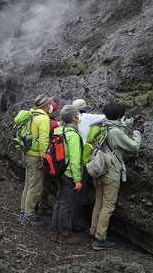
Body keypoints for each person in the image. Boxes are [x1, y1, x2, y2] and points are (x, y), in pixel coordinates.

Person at [89, 102, 144, 250]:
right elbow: (134, 146)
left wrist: (131, 121)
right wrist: (137, 132)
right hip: (111, 173)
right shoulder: (116, 132)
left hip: (99, 169)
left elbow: (118, 126)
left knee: (98, 203)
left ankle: (93, 231)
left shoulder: (104, 125)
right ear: (120, 116)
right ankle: (99, 239)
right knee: (108, 207)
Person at [72, 98, 106, 231]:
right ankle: (73, 223)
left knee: (68, 192)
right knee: (79, 192)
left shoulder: (65, 120)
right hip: (83, 160)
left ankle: (66, 220)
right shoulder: (86, 117)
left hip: (69, 161)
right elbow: (106, 117)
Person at [51, 104, 82, 245]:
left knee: (59, 201)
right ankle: (64, 235)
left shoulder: (59, 131)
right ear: (73, 118)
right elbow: (75, 161)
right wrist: (78, 180)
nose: (79, 116)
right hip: (69, 174)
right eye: (77, 114)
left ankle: (55, 232)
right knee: (67, 204)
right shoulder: (73, 135)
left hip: (58, 171)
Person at [20, 94, 52, 227]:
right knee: (36, 187)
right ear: (45, 106)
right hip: (36, 156)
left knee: (28, 184)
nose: (51, 106)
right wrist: (45, 158)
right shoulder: (44, 119)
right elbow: (44, 141)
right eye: (49, 104)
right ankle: (29, 217)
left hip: (27, 154)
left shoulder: (31, 115)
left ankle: (24, 212)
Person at [38, 101, 60, 216]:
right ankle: (43, 207)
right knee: (45, 183)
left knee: (37, 182)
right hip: (49, 156)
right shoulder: (54, 124)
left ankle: (35, 205)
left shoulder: (38, 119)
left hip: (36, 153)